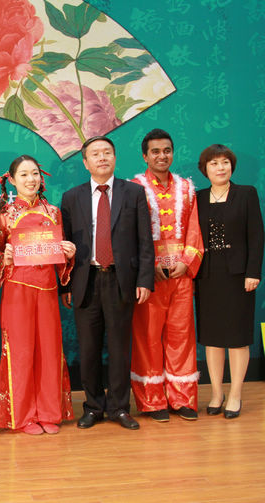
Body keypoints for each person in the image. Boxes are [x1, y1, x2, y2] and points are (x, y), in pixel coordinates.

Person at [60, 136, 154, 430]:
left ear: (115, 157)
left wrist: (145, 280)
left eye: (107, 153)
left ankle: (119, 407)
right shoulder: (71, 197)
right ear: (85, 162)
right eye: (95, 154)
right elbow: (63, 244)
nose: (102, 158)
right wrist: (65, 285)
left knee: (119, 348)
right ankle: (93, 407)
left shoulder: (134, 193)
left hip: (121, 280)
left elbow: (145, 240)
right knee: (88, 350)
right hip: (85, 281)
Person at [0, 155, 75, 435]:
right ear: (12, 180)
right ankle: (24, 415)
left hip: (47, 290)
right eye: (24, 175)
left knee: (49, 351)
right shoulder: (5, 214)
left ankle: (49, 412)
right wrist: (4, 257)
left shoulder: (53, 212)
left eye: (35, 174)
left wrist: (68, 254)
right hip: (17, 291)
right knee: (21, 352)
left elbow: (59, 259)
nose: (31, 179)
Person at [130, 129, 204, 422]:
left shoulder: (187, 188)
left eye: (167, 150)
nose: (162, 156)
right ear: (145, 156)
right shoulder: (134, 188)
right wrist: (147, 268)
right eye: (156, 151)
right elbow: (130, 234)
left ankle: (182, 399)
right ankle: (152, 400)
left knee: (181, 336)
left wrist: (187, 262)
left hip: (181, 275)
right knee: (148, 336)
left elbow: (194, 228)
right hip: (150, 277)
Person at [195, 144, 263, 419]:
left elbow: (256, 236)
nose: (220, 167)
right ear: (205, 169)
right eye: (214, 163)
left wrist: (253, 272)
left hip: (238, 276)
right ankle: (216, 393)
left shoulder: (246, 193)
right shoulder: (198, 197)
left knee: (236, 338)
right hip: (207, 276)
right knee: (212, 338)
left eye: (225, 162)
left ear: (232, 166)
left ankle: (235, 394)